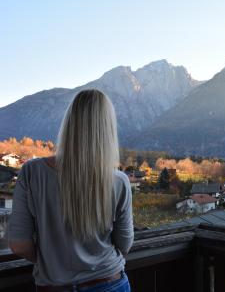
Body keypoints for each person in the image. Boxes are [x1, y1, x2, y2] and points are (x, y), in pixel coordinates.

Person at [7, 89, 134, 291]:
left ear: (69, 123)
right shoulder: (119, 181)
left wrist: (52, 262)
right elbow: (125, 244)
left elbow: (19, 244)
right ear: (108, 130)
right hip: (110, 283)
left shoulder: (32, 172)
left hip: (54, 285)